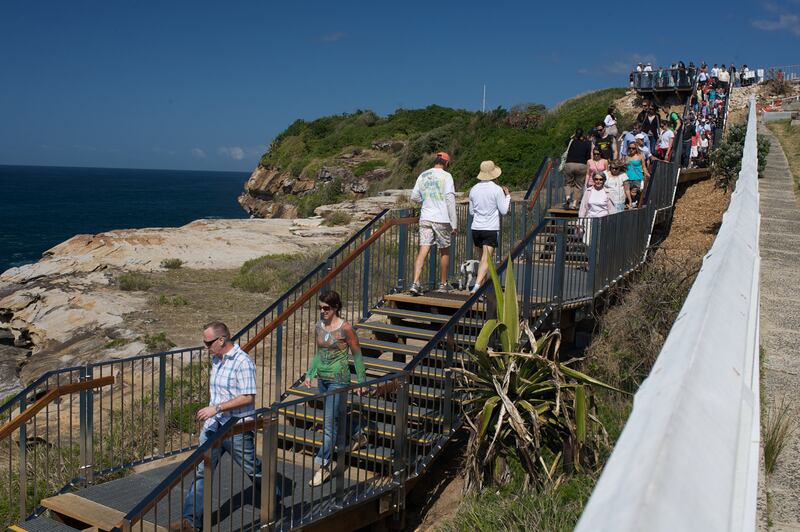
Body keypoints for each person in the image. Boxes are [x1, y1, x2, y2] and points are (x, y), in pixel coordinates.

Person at [173, 322, 260, 532]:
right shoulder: (217, 359)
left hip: (237, 428)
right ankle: (191, 521)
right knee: (202, 472)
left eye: (208, 343)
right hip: (214, 427)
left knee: (253, 470)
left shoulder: (242, 362)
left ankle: (273, 499)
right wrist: (214, 412)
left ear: (221, 340)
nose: (205, 347)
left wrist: (217, 408)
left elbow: (248, 397)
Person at [304, 290, 367, 486]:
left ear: (336, 308)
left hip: (339, 380)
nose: (322, 311)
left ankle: (322, 465)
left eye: (326, 308)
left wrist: (361, 381)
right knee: (335, 416)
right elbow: (319, 352)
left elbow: (357, 355)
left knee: (329, 426)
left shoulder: (346, 328)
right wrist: (310, 372)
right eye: (320, 307)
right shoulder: (318, 326)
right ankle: (358, 433)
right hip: (323, 379)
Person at [408, 152, 457, 295]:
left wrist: (426, 200)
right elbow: (450, 200)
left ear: (435, 161)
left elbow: (414, 196)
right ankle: (443, 284)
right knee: (444, 250)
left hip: (425, 217)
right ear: (446, 163)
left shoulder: (423, 175)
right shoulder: (447, 176)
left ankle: (415, 282)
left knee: (423, 249)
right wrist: (454, 224)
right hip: (441, 218)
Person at [467, 160, 511, 294]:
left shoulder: (473, 189)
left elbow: (471, 212)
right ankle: (477, 286)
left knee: (482, 259)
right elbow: (504, 211)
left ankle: (483, 286)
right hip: (490, 228)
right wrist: (508, 196)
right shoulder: (497, 190)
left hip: (476, 228)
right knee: (487, 260)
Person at [562, 128, 592, 210]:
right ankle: (574, 203)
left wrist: (572, 136)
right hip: (581, 165)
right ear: (583, 135)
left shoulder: (571, 142)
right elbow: (588, 156)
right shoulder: (586, 144)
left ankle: (568, 198)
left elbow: (566, 141)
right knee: (579, 185)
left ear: (575, 134)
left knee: (568, 183)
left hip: (569, 164)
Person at [625, 141, 649, 207]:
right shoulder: (626, 157)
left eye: (633, 148)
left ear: (636, 149)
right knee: (628, 194)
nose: (631, 149)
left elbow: (644, 167)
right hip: (627, 178)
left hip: (637, 178)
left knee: (636, 194)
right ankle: (630, 206)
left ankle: (638, 206)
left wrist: (646, 174)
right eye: (630, 148)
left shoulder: (640, 156)